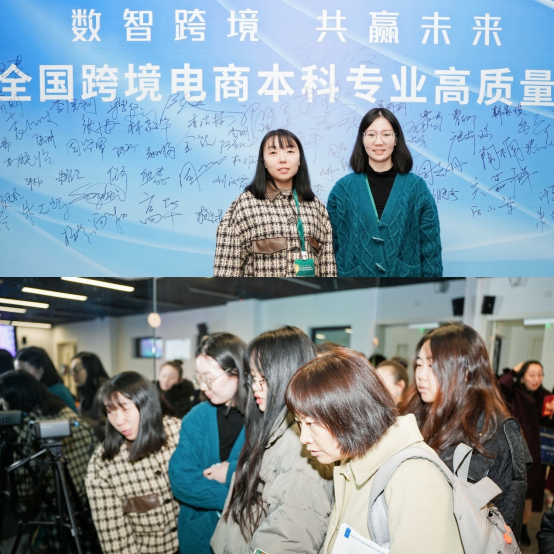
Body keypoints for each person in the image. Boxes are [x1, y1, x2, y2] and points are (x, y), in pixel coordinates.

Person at [285, 348, 463, 553]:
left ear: (349, 412)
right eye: (300, 423)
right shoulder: (351, 460)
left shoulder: (416, 477)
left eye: (310, 423)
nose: (304, 438)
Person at [211, 326, 333, 554]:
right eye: (253, 377)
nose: (255, 387)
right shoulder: (274, 430)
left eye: (264, 378)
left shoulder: (300, 444)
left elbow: (288, 539)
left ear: (288, 375)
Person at [402, 323, 529, 542]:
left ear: (466, 371)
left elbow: (507, 519)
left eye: (432, 365)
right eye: (419, 364)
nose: (421, 375)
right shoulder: (417, 413)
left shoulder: (496, 431)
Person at [327, 108, 442, 277]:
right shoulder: (343, 189)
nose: (378, 142)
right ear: (362, 139)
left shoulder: (416, 187)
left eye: (386, 134)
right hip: (354, 283)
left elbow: (430, 247)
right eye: (371, 134)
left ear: (396, 139)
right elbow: (330, 247)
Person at [214, 129, 337, 277]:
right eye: (273, 152)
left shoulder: (316, 206)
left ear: (299, 160)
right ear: (264, 162)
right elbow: (226, 271)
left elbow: (328, 267)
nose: (282, 159)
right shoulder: (245, 204)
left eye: (290, 151)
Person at [168, 333, 248, 554]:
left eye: (209, 378)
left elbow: (267, 478)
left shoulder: (261, 420)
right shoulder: (197, 417)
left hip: (243, 538)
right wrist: (237, 500)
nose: (203, 387)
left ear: (237, 372)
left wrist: (229, 473)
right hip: (199, 536)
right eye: (199, 378)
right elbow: (180, 480)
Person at [0, 370, 96, 551]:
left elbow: (23, 488)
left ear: (13, 398)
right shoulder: (61, 408)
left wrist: (20, 507)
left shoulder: (28, 426)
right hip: (86, 494)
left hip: (58, 502)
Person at [85, 372, 181, 554]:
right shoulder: (104, 465)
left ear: (146, 404)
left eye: (125, 409)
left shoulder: (178, 432)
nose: (118, 421)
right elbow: (115, 541)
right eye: (110, 411)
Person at [499, 359, 550, 545]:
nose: (536, 379)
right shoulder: (514, 392)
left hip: (537, 451)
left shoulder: (546, 397)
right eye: (531, 375)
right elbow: (501, 384)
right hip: (517, 448)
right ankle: (506, 527)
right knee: (512, 490)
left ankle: (525, 527)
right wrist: (513, 371)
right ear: (522, 377)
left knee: (530, 493)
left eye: (540, 375)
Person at [15, 346, 77, 412]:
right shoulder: (42, 390)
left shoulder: (54, 392)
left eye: (24, 371)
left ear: (41, 368)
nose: (20, 376)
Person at [70, 351, 110, 419]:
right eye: (71, 371)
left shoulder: (104, 391)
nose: (73, 375)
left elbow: (103, 422)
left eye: (76, 370)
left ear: (90, 369)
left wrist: (81, 419)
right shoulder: (85, 388)